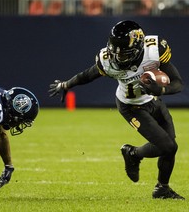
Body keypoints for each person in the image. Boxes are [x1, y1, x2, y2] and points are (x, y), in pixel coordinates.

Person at [49, 20, 184, 200]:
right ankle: (133, 153)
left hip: (153, 100)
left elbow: (177, 83)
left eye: (123, 52)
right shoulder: (107, 61)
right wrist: (66, 84)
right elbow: (87, 75)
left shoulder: (154, 50)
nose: (118, 56)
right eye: (115, 51)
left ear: (138, 47)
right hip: (131, 107)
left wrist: (161, 90)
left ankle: (162, 188)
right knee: (167, 146)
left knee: (170, 148)